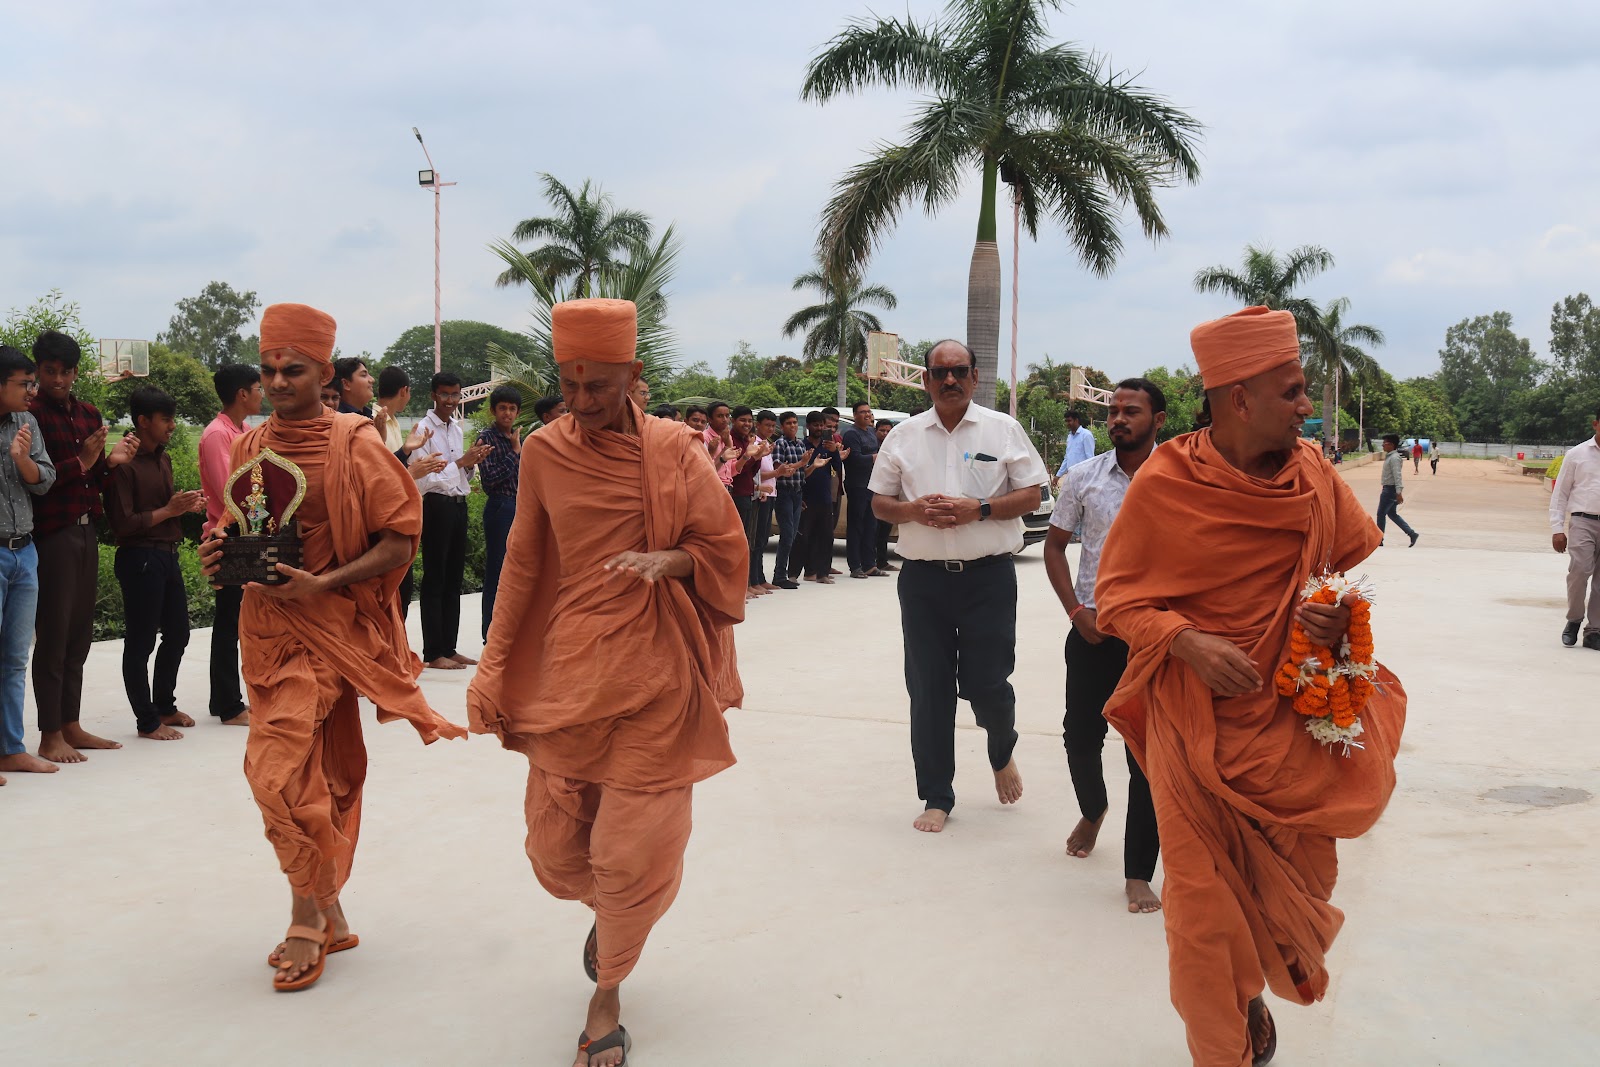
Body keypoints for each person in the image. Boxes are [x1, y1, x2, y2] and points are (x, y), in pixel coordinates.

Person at [1095, 306, 1406, 1067]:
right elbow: (1118, 600)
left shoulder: (1313, 477)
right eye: (1293, 391)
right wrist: (1186, 642)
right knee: (1200, 914)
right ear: (1239, 399)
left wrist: (1335, 618)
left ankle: (1249, 990)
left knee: (1289, 884)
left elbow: (1342, 580)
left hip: (1289, 726)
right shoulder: (1168, 481)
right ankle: (1222, 1047)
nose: (1308, 406)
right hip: (1194, 729)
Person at [466, 298, 745, 1067]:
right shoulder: (546, 453)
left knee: (625, 853)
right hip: (573, 670)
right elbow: (521, 561)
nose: (582, 402)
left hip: (659, 674)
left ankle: (607, 992)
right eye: (570, 384)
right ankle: (617, 910)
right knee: (557, 851)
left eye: (599, 386)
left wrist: (673, 561)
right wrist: (492, 665)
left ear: (634, 375)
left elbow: (722, 542)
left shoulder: (675, 451)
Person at [199, 301, 466, 991]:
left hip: (330, 633)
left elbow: (399, 539)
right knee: (304, 772)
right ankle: (329, 905)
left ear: (325, 371)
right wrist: (217, 549)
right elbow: (242, 525)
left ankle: (303, 913)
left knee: (275, 772)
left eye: (294, 369)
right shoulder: (252, 446)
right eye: (269, 370)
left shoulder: (357, 442)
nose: (279, 381)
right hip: (264, 632)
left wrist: (323, 579)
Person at [869, 339, 1047, 833]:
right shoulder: (903, 436)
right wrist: (911, 510)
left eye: (959, 372)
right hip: (924, 582)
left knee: (987, 684)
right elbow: (880, 503)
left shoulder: (1003, 429)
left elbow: (1033, 493)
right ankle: (937, 796)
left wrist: (980, 508)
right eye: (940, 373)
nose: (950, 381)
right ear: (925, 379)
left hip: (988, 578)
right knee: (929, 690)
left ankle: (1000, 749)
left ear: (974, 376)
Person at [1042, 378, 1166, 914]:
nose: (1118, 419)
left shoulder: (1182, 479)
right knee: (1080, 736)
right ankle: (1093, 809)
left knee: (1148, 755)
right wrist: (1076, 610)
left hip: (1157, 639)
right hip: (1094, 630)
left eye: (1131, 411)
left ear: (1158, 419)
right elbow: (1054, 546)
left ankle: (1139, 871)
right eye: (1114, 411)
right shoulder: (1084, 478)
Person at [28, 331, 133, 763]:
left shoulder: (88, 413)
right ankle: (49, 732)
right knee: (52, 635)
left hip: (88, 531)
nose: (57, 379)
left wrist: (108, 464)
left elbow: (96, 482)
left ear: (74, 372)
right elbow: (37, 484)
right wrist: (84, 462)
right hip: (52, 534)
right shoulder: (29, 416)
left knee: (79, 635)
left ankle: (71, 724)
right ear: (37, 370)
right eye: (48, 371)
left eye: (64, 372)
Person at [105, 386, 206, 741]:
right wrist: (169, 510)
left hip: (167, 552)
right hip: (139, 557)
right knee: (141, 641)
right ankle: (146, 721)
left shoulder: (163, 458)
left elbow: (165, 509)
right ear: (144, 421)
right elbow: (123, 524)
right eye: (166, 419)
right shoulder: (122, 463)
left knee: (178, 633)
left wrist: (185, 504)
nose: (173, 426)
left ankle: (164, 704)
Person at [0, 345, 58, 784]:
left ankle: (11, 749)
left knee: (16, 658)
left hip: (25, 551)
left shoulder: (28, 422)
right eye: (24, 383)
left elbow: (45, 480)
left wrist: (22, 460)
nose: (32, 391)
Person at [412, 372, 491, 669]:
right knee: (435, 578)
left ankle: (449, 646)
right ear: (434, 395)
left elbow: (460, 473)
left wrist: (471, 465)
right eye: (445, 395)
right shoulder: (422, 429)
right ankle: (433, 652)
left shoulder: (456, 428)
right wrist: (460, 464)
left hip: (458, 504)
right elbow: (426, 479)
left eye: (455, 395)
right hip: (435, 506)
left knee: (453, 579)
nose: (450, 401)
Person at [198, 363, 263, 727]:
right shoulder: (216, 435)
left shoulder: (244, 431)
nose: (261, 393)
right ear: (242, 393)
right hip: (228, 535)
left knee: (242, 618)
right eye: (257, 387)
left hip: (246, 532)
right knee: (228, 621)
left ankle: (225, 699)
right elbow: (231, 492)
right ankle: (228, 704)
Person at [371, 366, 446, 620]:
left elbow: (391, 464)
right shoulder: (373, 419)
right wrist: (410, 472)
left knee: (401, 594)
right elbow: (376, 473)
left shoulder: (391, 420)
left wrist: (406, 453)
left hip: (400, 514)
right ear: (404, 391)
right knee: (390, 595)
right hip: (383, 520)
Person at [476, 385, 523, 640]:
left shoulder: (516, 438)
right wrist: (515, 454)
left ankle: (509, 631)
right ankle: (490, 633)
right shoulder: (487, 439)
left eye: (512, 409)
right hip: (499, 506)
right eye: (502, 408)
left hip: (518, 506)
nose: (507, 413)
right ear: (494, 410)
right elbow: (490, 479)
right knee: (497, 571)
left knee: (516, 572)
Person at [1551, 407, 1600, 649]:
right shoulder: (1577, 454)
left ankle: (1594, 631)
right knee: (1579, 572)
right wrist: (1557, 528)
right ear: (1595, 425)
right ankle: (1574, 620)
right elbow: (1560, 493)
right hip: (1583, 521)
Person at [724, 406, 769, 598]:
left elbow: (751, 471)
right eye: (743, 420)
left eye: (749, 421)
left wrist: (758, 456)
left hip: (748, 493)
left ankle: (748, 583)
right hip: (736, 494)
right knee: (737, 543)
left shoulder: (745, 440)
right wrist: (750, 455)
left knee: (748, 542)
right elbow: (737, 470)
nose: (747, 424)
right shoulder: (731, 441)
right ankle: (738, 587)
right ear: (733, 421)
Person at [770, 411, 811, 590]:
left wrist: (812, 466)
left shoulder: (800, 444)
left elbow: (803, 472)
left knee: (793, 535)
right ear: (782, 426)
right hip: (784, 492)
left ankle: (782, 574)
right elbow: (779, 469)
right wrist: (801, 464)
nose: (793, 426)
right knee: (787, 535)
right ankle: (779, 575)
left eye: (795, 423)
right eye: (789, 423)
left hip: (797, 492)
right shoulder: (780, 444)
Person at [841, 400, 881, 578]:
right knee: (856, 526)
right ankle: (855, 565)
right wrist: (874, 458)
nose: (867, 415)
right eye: (863, 412)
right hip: (857, 485)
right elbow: (854, 459)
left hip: (872, 485)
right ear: (855, 415)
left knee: (870, 526)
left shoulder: (871, 432)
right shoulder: (851, 434)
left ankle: (869, 564)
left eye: (869, 412)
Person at [799, 411, 839, 584]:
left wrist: (835, 452)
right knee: (805, 537)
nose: (819, 428)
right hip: (806, 497)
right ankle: (809, 571)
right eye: (815, 425)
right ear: (808, 426)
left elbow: (837, 467)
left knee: (826, 536)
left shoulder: (827, 445)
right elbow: (798, 473)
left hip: (825, 497)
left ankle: (823, 573)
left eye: (821, 425)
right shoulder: (802, 445)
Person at [751, 410, 780, 593]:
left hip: (770, 495)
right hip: (759, 495)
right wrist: (778, 473)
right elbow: (755, 473)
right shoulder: (754, 444)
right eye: (767, 425)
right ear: (758, 425)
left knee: (762, 540)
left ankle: (760, 578)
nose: (770, 429)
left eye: (772, 425)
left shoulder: (767, 444)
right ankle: (753, 580)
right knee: (756, 540)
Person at [1376, 433, 1419, 547]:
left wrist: (1398, 492)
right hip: (1390, 489)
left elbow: (1397, 475)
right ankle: (1411, 533)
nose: (1383, 446)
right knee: (1392, 514)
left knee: (1381, 514)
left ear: (1391, 445)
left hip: (1390, 490)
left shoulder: (1394, 458)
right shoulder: (1391, 457)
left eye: (1384, 443)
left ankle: (1379, 539)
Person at [873, 418, 896, 574]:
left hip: (889, 493)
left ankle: (882, 561)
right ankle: (873, 561)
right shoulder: (873, 447)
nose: (885, 434)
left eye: (888, 431)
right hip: (874, 493)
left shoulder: (894, 447)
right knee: (875, 530)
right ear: (876, 431)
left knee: (885, 530)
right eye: (882, 430)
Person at [1054, 408, 1096, 488]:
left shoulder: (1086, 435)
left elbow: (1090, 459)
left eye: (1069, 421)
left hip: (1083, 479)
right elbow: (1067, 458)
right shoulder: (1070, 437)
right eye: (1066, 421)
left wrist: (1090, 479)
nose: (1067, 423)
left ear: (1076, 420)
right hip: (1071, 477)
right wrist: (1058, 476)